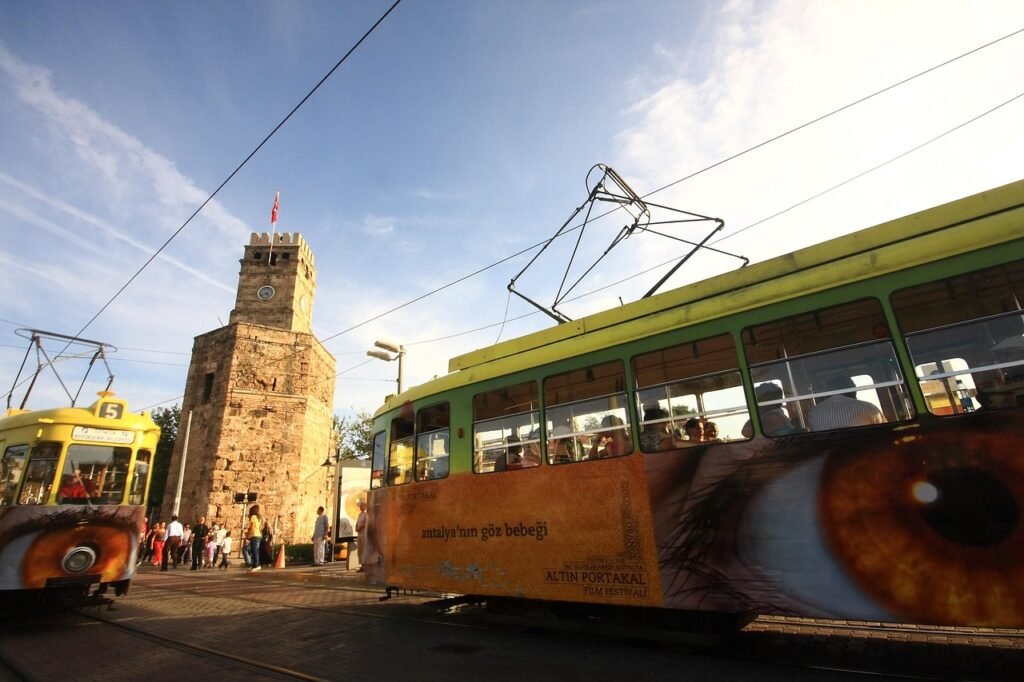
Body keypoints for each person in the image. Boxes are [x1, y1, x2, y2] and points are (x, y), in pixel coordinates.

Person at [808, 375, 884, 431]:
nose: (856, 390)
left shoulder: (814, 411)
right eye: (854, 387)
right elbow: (883, 430)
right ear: (850, 388)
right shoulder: (867, 407)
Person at [246, 505, 263, 573]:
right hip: (257, 535)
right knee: (254, 551)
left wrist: (247, 531)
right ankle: (254, 565)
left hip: (254, 535)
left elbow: (251, 526)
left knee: (254, 551)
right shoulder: (259, 517)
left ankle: (256, 565)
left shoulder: (253, 516)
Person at [355, 499, 368, 572]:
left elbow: (365, 523)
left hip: (364, 534)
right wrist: (356, 527)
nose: (360, 507)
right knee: (359, 550)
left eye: (361, 506)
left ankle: (365, 565)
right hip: (359, 534)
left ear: (365, 506)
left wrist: (360, 527)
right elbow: (357, 523)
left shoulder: (367, 514)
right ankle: (361, 565)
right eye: (360, 506)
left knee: (363, 550)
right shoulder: (359, 514)